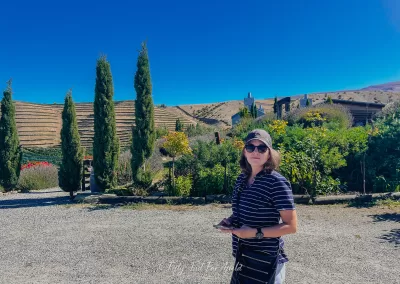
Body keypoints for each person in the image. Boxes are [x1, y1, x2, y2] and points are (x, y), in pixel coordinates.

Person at [217, 129, 297, 284]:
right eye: (250, 147)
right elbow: (241, 212)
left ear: (269, 153)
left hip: (266, 259)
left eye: (262, 148)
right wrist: (231, 221)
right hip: (243, 254)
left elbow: (291, 226)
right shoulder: (242, 178)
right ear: (244, 152)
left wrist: (255, 233)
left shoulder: (276, 182)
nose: (256, 152)